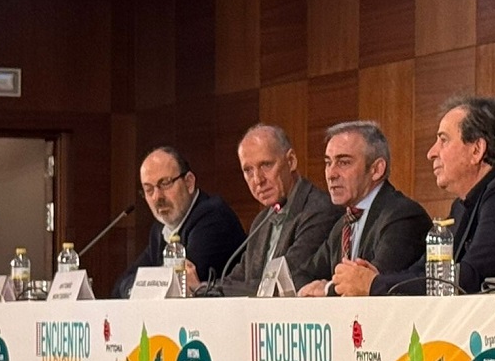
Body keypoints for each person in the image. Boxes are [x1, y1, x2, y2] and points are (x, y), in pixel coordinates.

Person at [331, 96, 495, 296]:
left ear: (477, 150)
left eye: (443, 140)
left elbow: (468, 279)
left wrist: (375, 285)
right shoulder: (465, 204)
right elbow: (425, 272)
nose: (431, 152)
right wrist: (378, 277)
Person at [191, 124, 339, 295]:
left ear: (291, 161)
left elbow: (284, 283)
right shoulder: (262, 220)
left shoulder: (319, 210)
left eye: (266, 165)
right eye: (248, 170)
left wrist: (202, 288)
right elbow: (237, 279)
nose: (257, 180)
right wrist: (200, 287)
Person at [295, 121, 430, 296]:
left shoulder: (403, 216)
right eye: (328, 163)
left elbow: (372, 283)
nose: (331, 174)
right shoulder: (342, 225)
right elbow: (302, 275)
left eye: (344, 162)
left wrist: (327, 288)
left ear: (376, 169)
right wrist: (314, 287)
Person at [112, 146, 246, 298]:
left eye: (165, 183)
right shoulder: (160, 230)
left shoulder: (213, 218)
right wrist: (139, 287)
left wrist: (144, 286)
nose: (157, 197)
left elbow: (180, 285)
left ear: (189, 183)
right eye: (149, 189)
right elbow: (121, 285)